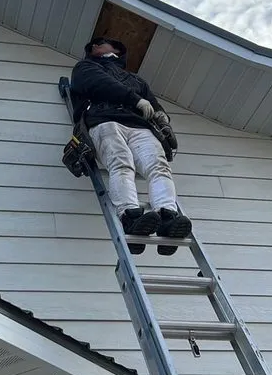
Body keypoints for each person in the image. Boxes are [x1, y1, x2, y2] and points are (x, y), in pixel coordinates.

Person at [70, 36, 192, 255]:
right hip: (104, 120)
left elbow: (152, 102)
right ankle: (130, 216)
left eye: (104, 44)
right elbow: (99, 84)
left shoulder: (135, 80)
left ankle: (168, 216)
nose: (98, 46)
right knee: (121, 163)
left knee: (159, 166)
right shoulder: (85, 67)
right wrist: (134, 100)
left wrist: (160, 113)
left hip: (139, 126)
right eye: (98, 45)